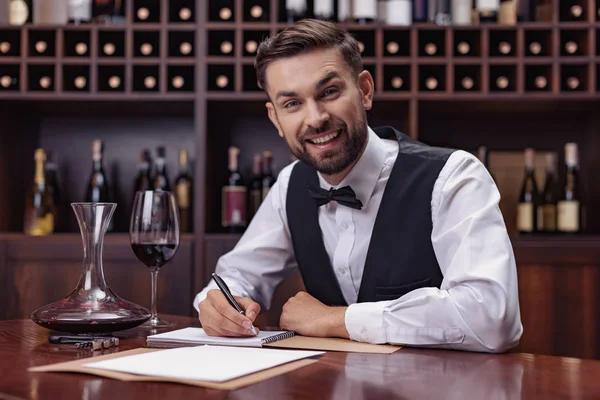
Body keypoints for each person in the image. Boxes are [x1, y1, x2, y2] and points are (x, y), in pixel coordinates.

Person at [193, 19, 523, 353]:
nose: (316, 117)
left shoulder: (454, 176)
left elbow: (493, 318)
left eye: (329, 92)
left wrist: (337, 320)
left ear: (364, 90)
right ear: (276, 118)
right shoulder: (289, 185)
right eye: (292, 103)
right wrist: (219, 304)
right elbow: (238, 274)